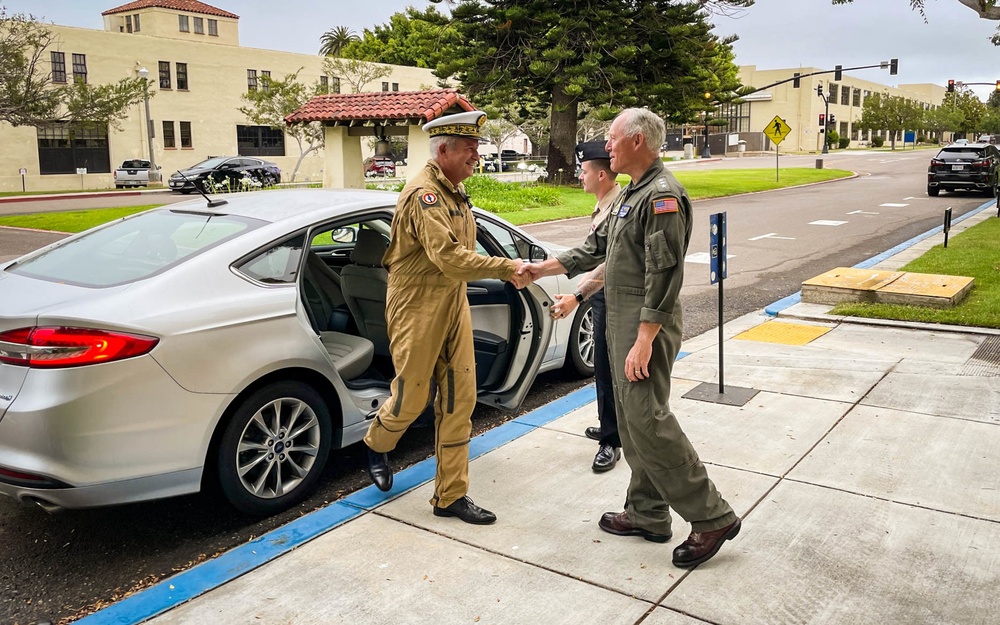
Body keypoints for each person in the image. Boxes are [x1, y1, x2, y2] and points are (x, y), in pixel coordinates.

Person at [518, 108, 741, 568]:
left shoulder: (662, 197)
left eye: (614, 139)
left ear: (638, 141)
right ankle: (648, 513)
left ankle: (711, 515)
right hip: (621, 323)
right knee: (632, 421)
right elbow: (595, 250)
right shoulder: (630, 197)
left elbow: (665, 275)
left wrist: (644, 339)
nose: (608, 146)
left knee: (649, 420)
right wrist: (543, 269)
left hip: (645, 327)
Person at [363, 110, 529, 525]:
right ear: (443, 150)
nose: (477, 155)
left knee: (460, 400)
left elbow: (457, 263)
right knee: (411, 397)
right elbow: (450, 259)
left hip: (452, 301)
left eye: (476, 147)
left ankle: (450, 497)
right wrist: (509, 268)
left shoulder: (454, 190)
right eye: (469, 148)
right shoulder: (426, 194)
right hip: (416, 304)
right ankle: (376, 442)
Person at [549, 140, 622, 473]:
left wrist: (576, 296)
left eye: (584, 170)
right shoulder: (606, 204)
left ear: (602, 173)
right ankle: (610, 426)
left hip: (617, 297)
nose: (580, 176)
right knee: (603, 368)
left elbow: (609, 262)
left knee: (608, 368)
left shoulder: (619, 206)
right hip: (603, 294)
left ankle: (612, 440)